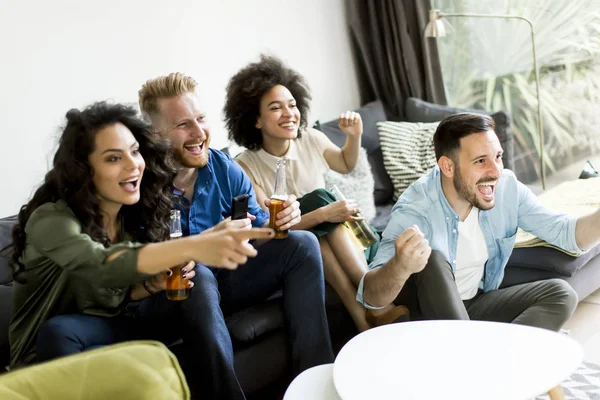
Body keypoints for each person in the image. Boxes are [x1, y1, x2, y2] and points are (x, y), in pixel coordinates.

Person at [7, 102, 272, 374]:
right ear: (83, 169)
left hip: (115, 327)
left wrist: (152, 285)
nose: (133, 165)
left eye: (134, 152)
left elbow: (118, 298)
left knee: (198, 277)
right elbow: (102, 265)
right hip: (53, 344)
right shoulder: (52, 220)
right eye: (113, 158)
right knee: (60, 329)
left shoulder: (130, 218)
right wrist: (194, 245)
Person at [138, 72, 334, 399]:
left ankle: (315, 387)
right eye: (183, 124)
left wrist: (285, 218)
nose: (199, 132)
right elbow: (136, 267)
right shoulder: (137, 187)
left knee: (302, 245)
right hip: (167, 301)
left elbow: (260, 227)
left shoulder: (222, 167)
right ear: (154, 135)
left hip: (222, 282)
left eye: (200, 119)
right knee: (195, 276)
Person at [222, 54, 407, 332]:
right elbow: (270, 226)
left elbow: (345, 164)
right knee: (317, 209)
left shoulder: (311, 139)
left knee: (316, 228)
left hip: (351, 238)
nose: (289, 114)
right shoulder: (244, 167)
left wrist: (353, 137)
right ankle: (374, 298)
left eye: (292, 104)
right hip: (299, 250)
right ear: (256, 120)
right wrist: (325, 212)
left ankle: (362, 319)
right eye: (275, 108)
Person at [357, 112, 589, 332]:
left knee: (561, 294)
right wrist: (400, 265)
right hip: (429, 321)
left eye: (498, 157)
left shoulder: (506, 188)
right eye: (480, 161)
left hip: (475, 303)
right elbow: (372, 300)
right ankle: (477, 357)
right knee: (433, 258)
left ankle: (488, 357)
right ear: (448, 166)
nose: (496, 171)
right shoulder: (416, 211)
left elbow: (564, 232)